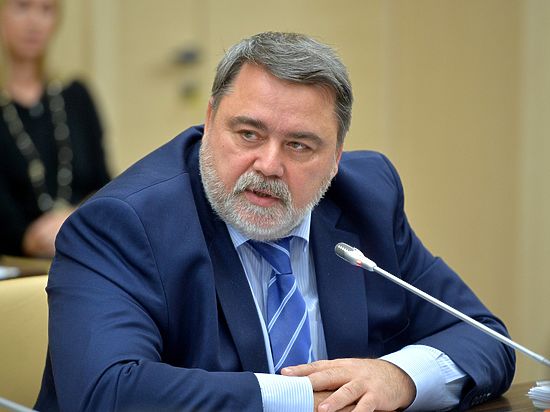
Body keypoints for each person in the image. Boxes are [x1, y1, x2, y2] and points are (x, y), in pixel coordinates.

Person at [35, 32, 515, 412]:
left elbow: (484, 337)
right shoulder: (123, 224)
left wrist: (400, 377)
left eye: (299, 145)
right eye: (248, 134)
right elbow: (106, 392)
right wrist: (300, 398)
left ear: (335, 158)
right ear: (209, 121)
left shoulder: (368, 198)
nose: (268, 165)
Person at [0, 0, 110, 257]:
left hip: (83, 249)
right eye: (22, 7)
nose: (34, 23)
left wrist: (75, 219)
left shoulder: (76, 97)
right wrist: (28, 239)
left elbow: (106, 185)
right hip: (15, 262)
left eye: (46, 10)